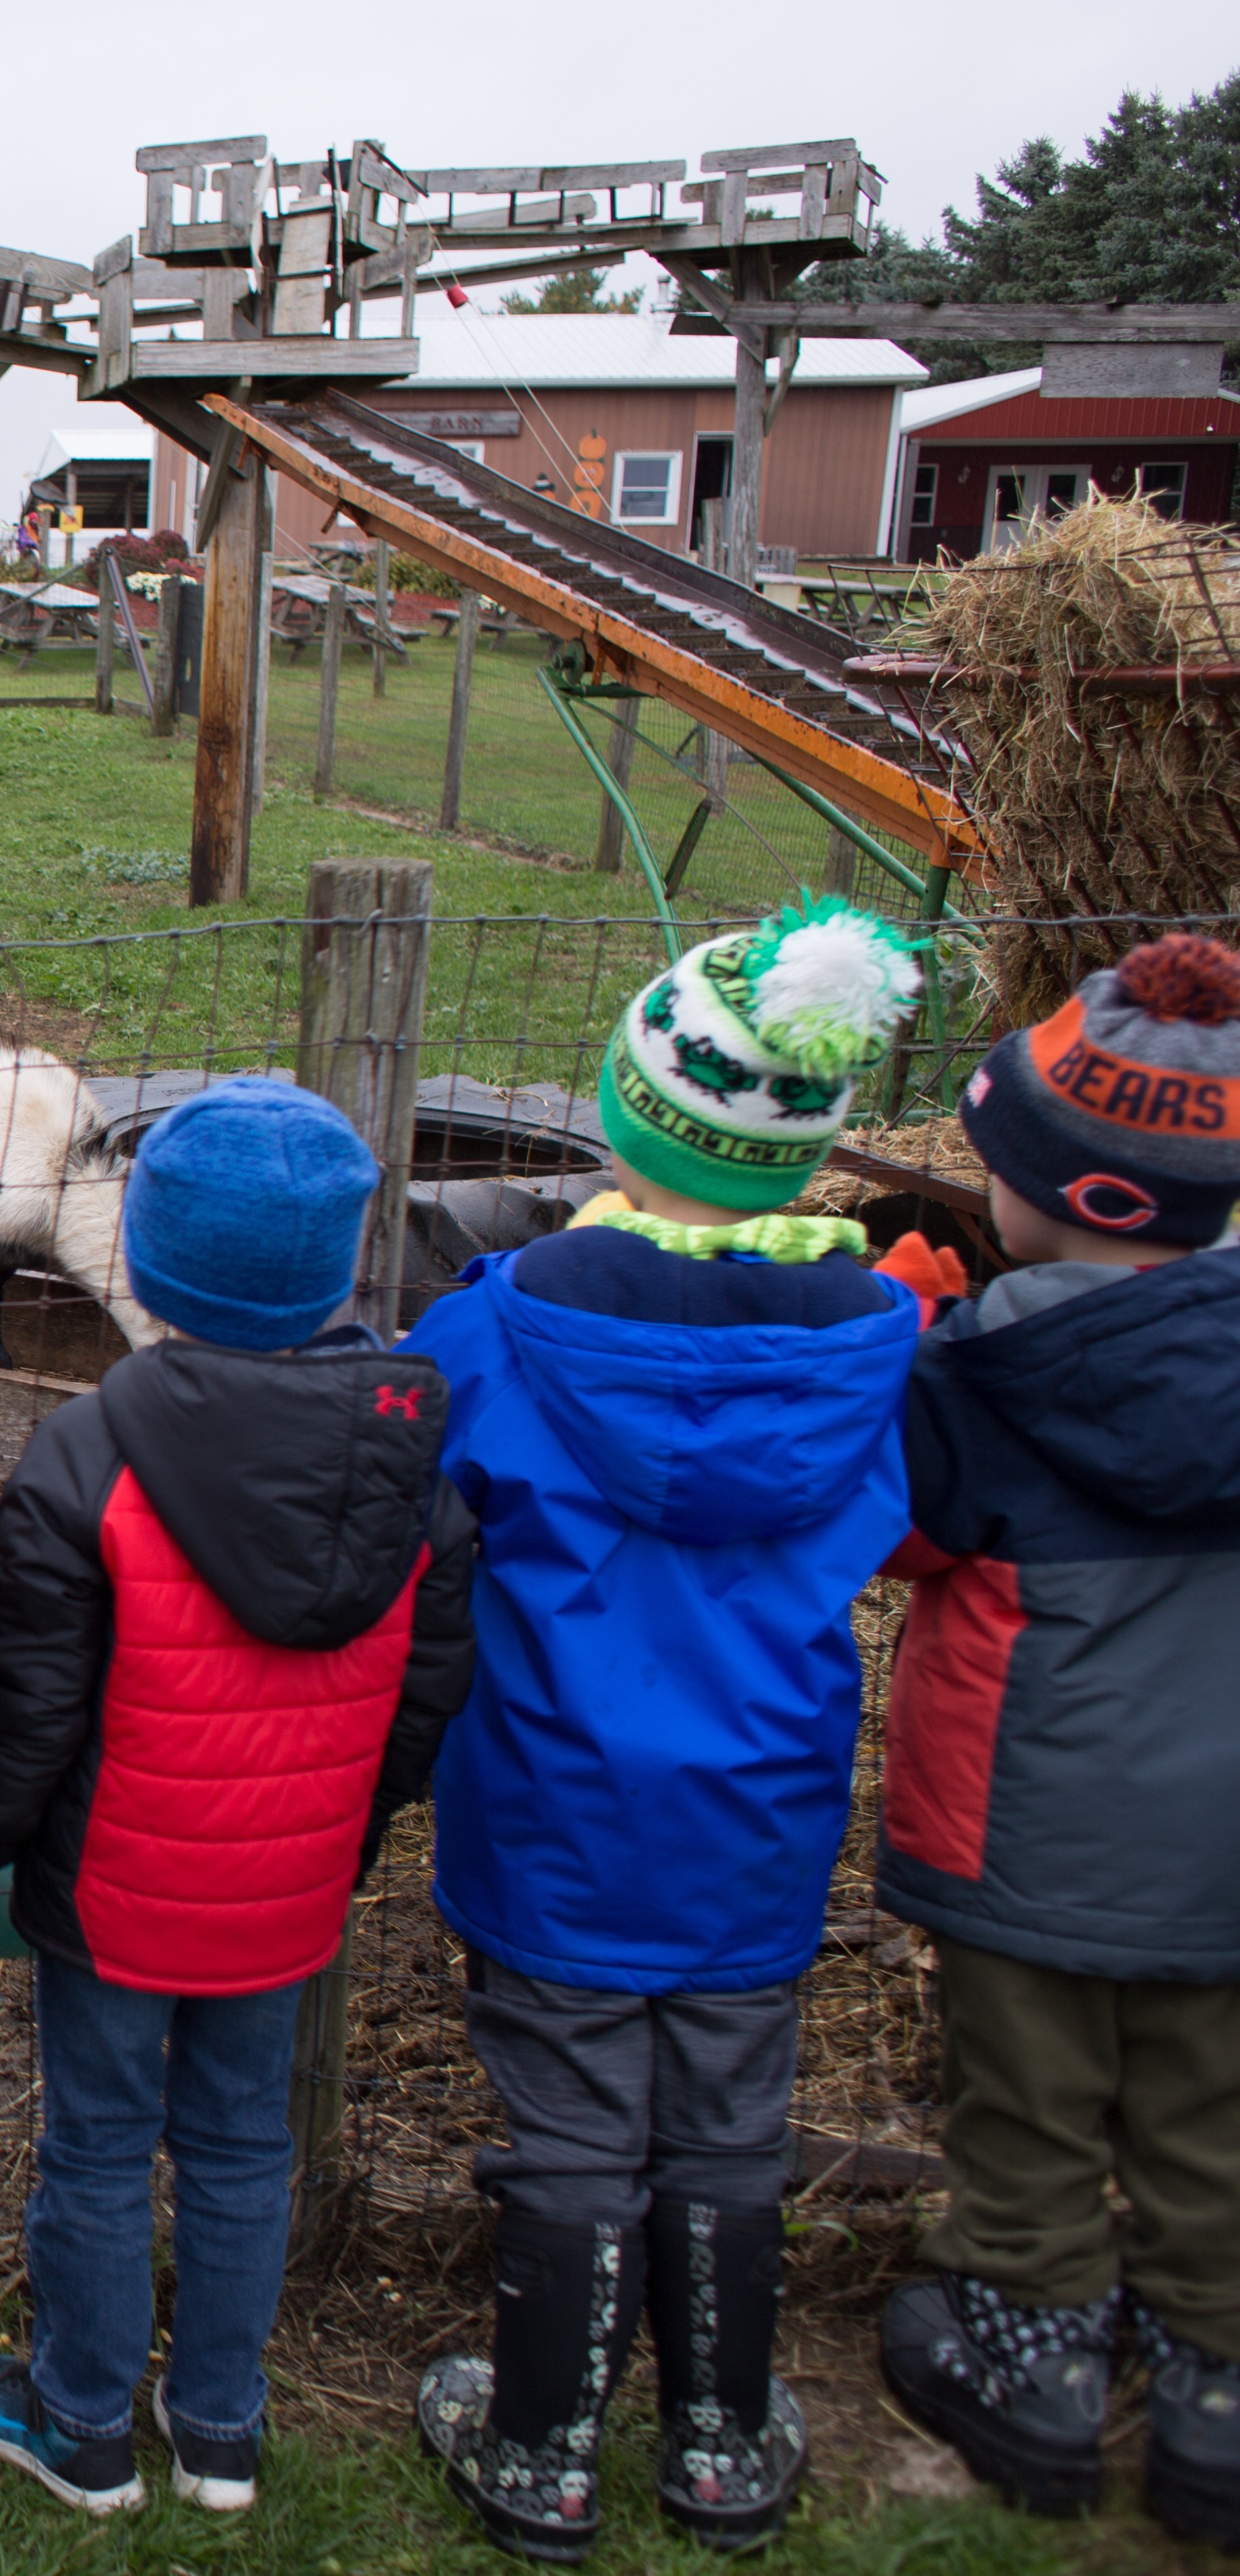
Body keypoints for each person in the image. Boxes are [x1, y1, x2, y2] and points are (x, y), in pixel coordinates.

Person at [403, 899, 928, 2559]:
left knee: (563, 2119)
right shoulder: (873, 1349)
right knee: (725, 2114)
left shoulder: (497, 1323)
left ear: (627, 1113)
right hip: (760, 1803)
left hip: (555, 1793)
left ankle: (541, 2444)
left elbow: (417, 1499)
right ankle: (714, 2437)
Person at [0, 1079, 476, 2520]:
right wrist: (359, 1830)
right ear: (334, 1264)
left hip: (117, 1892)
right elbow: (429, 1685)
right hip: (290, 1886)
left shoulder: (88, 1451)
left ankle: (85, 2422)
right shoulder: (414, 1450)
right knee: (244, 2140)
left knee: (99, 2143)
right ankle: (222, 2428)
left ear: (153, 1259)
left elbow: (29, 1710)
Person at [868, 933, 1240, 2549]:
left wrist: (891, 1327)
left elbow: (907, 1538)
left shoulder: (977, 1373)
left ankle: (1028, 2360)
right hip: (1218, 1839)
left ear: (1046, 1190)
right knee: (1204, 2103)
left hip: (1019, 1816)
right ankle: (1211, 2383)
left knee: (1020, 2103)